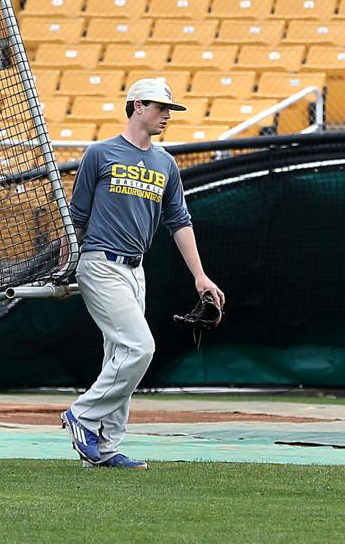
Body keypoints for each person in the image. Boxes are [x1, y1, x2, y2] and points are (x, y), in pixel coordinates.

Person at [60, 77, 226, 470]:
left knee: (120, 353)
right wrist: (67, 265)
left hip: (136, 270)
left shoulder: (165, 162)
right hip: (100, 263)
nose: (166, 115)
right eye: (158, 106)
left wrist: (200, 276)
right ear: (136, 106)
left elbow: (179, 221)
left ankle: (104, 448)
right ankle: (82, 415)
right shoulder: (100, 154)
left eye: (168, 108)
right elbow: (77, 217)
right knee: (139, 348)